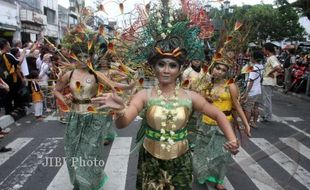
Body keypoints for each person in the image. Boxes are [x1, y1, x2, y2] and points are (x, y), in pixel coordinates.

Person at [92, 37, 239, 190]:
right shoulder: (144, 95)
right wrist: (121, 110)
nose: (166, 70)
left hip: (181, 160)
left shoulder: (190, 97)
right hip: (150, 160)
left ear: (180, 69)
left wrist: (232, 139)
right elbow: (122, 124)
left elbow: (218, 114)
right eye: (161, 64)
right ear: (154, 67)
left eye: (172, 65)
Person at [192, 56, 251, 190]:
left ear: (226, 73)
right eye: (217, 68)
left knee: (223, 154)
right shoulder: (207, 84)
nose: (219, 71)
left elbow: (237, 106)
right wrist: (203, 96)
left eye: (223, 70)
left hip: (223, 125)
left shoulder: (230, 86)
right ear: (213, 68)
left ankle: (219, 180)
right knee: (201, 152)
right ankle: (203, 174)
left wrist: (246, 124)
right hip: (206, 123)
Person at [241, 50, 264, 128]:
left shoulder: (253, 68)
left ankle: (246, 125)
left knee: (248, 108)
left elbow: (251, 81)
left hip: (252, 91)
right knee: (256, 107)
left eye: (251, 56)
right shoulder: (261, 66)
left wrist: (246, 93)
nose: (250, 58)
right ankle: (254, 123)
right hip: (259, 90)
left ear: (254, 58)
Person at [261, 43, 282, 122]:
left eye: (263, 49)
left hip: (268, 81)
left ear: (267, 50)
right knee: (267, 99)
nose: (263, 51)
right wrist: (273, 73)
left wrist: (270, 73)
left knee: (267, 100)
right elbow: (279, 68)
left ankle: (268, 117)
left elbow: (278, 68)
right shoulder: (271, 58)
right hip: (268, 81)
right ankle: (267, 115)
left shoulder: (271, 58)